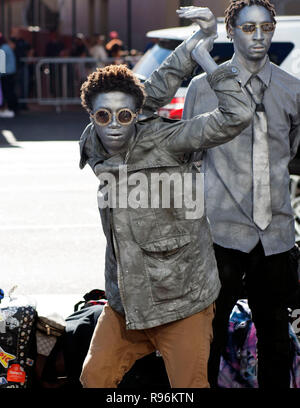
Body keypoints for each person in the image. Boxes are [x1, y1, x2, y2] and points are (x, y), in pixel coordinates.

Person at [78, 7, 252, 388]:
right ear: (91, 115)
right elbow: (151, 88)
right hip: (126, 304)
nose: (113, 126)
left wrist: (205, 55)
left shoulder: (168, 140)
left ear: (136, 116)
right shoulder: (92, 142)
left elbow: (236, 114)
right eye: (103, 116)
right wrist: (191, 42)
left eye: (124, 116)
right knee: (94, 379)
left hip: (182, 301)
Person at [182, 0, 300, 388]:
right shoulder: (202, 89)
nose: (259, 37)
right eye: (249, 28)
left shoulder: (291, 89)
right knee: (208, 335)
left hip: (276, 233)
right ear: (230, 32)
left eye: (266, 28)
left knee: (276, 338)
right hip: (220, 234)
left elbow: (292, 151)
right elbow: (190, 156)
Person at [0, 33, 18, 117]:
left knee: (7, 92)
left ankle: (10, 109)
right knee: (10, 92)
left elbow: (2, 64)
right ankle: (13, 109)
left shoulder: (3, 49)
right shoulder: (7, 48)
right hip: (10, 73)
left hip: (6, 74)